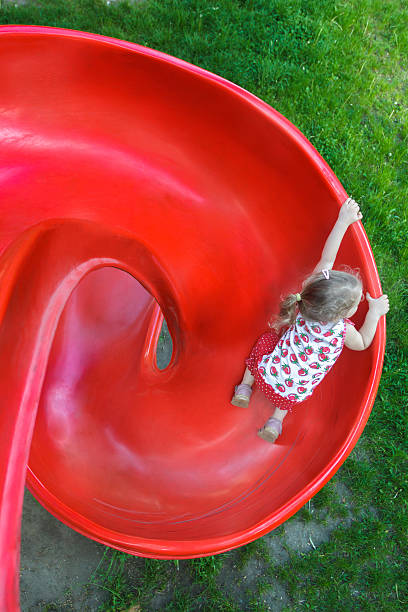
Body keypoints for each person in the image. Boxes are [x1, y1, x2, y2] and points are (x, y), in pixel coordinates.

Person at [231, 197, 389, 443]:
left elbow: (327, 260)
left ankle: (244, 387)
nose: (359, 304)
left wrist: (343, 221)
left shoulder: (306, 299)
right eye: (356, 304)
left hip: (267, 372)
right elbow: (364, 341)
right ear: (343, 314)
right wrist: (374, 312)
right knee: (296, 385)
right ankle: (275, 422)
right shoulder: (343, 331)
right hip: (292, 393)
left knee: (267, 340)